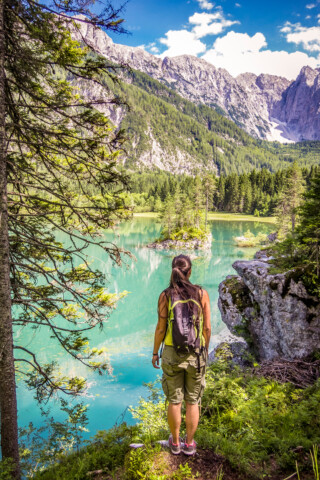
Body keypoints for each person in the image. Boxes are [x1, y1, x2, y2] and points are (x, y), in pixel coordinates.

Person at [152, 254, 211, 456]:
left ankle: (175, 443)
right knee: (192, 401)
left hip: (171, 353)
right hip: (196, 354)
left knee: (174, 401)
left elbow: (161, 328)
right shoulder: (201, 294)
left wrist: (154, 353)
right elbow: (208, 329)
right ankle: (189, 444)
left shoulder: (165, 295)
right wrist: (204, 350)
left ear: (173, 271)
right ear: (190, 271)